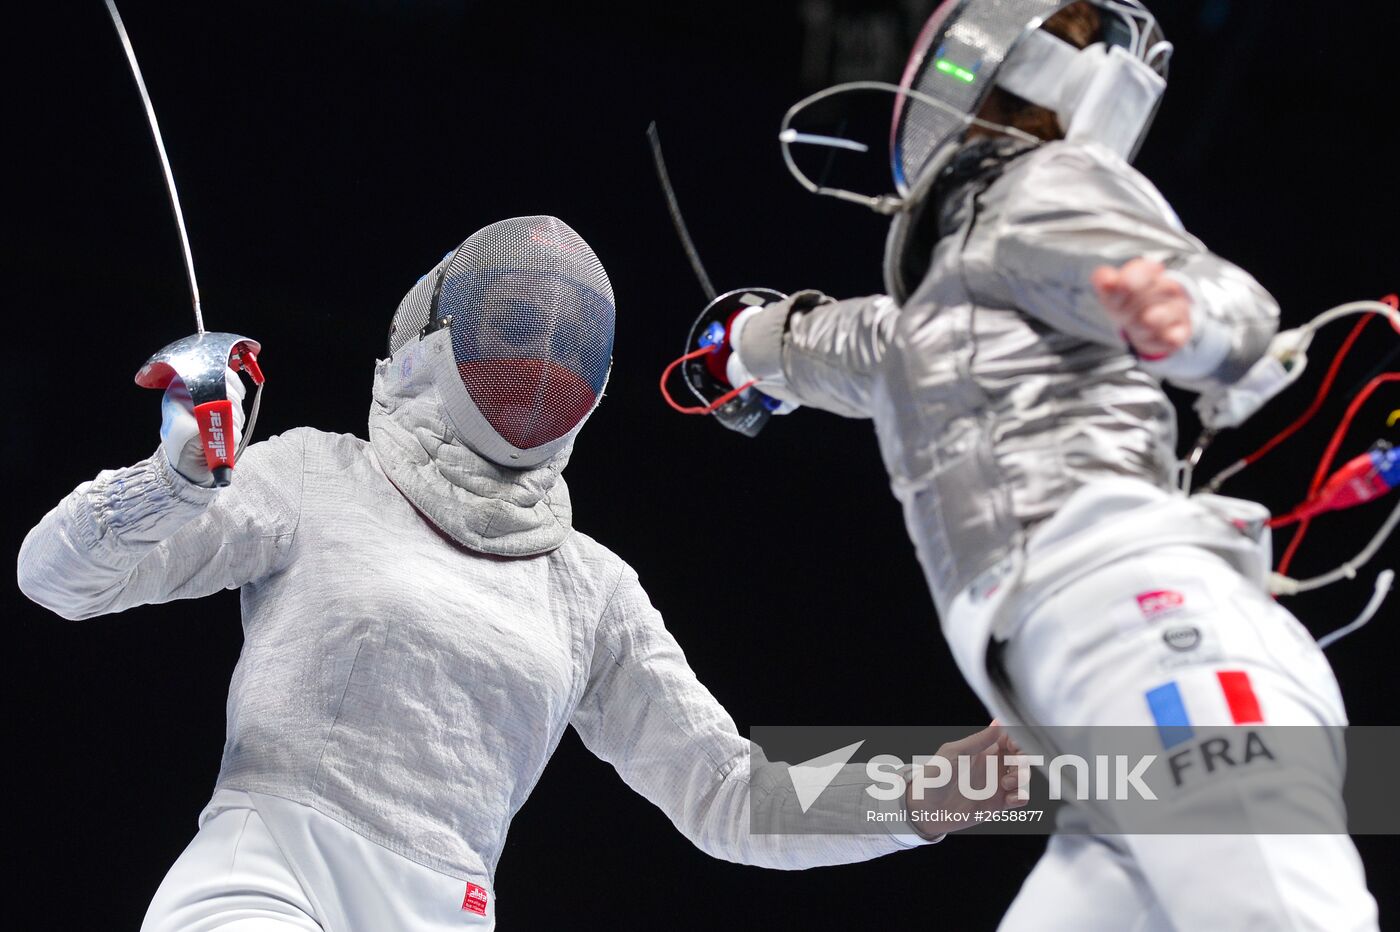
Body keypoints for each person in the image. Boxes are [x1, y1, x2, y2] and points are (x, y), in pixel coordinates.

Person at [18, 216, 1018, 931]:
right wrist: (178, 474)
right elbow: (58, 578)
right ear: (433, 333)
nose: (539, 358)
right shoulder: (316, 474)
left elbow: (727, 793)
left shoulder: (591, 589)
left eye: (564, 339)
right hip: (264, 874)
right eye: (510, 323)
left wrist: (934, 791)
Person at [714, 2, 1379, 928]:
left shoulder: (1047, 184)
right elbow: (858, 344)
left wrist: (1187, 320)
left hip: (1153, 634)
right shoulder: (953, 301)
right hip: (1088, 717)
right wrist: (748, 345)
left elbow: (1212, 294)